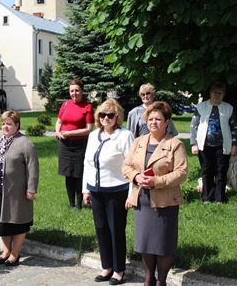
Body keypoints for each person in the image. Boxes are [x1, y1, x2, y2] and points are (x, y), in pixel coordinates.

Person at [122, 101, 188, 286]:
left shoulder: (175, 144)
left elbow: (181, 173)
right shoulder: (139, 142)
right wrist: (136, 177)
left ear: (167, 122)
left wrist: (156, 181)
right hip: (142, 200)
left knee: (163, 244)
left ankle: (162, 281)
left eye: (158, 119)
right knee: (145, 243)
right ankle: (148, 279)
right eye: (150, 119)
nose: (153, 122)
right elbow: (126, 166)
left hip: (165, 202)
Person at [82, 99, 134, 285]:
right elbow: (87, 164)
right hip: (96, 190)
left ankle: (119, 270)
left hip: (117, 190)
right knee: (101, 229)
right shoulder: (93, 135)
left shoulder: (124, 136)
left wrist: (131, 193)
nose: (106, 118)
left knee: (116, 230)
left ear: (117, 117)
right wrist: (85, 190)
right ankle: (107, 267)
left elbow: (131, 166)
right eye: (102, 115)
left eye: (110, 115)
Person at [0, 111, 39, 266]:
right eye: (3, 123)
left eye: (9, 123)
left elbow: (33, 167)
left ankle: (15, 253)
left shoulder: (25, 143)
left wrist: (31, 188)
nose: (5, 127)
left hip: (16, 191)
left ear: (17, 125)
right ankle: (6, 251)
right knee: (2, 224)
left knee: (17, 222)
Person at [190, 82, 237, 204]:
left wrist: (234, 145)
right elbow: (193, 126)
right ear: (210, 93)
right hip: (204, 145)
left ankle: (219, 198)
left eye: (220, 93)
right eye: (215, 92)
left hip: (223, 145)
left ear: (223, 95)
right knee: (207, 171)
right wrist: (193, 144)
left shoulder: (228, 108)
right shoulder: (201, 107)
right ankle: (207, 198)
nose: (217, 95)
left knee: (221, 171)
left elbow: (234, 128)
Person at [55, 79, 94, 210]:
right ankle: (70, 203)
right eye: (72, 90)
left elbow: (89, 129)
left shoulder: (87, 107)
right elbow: (59, 121)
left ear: (82, 91)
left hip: (80, 144)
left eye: (77, 90)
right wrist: (57, 132)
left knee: (78, 173)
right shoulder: (65, 104)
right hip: (65, 144)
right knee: (68, 173)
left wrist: (70, 133)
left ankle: (79, 204)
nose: (74, 93)